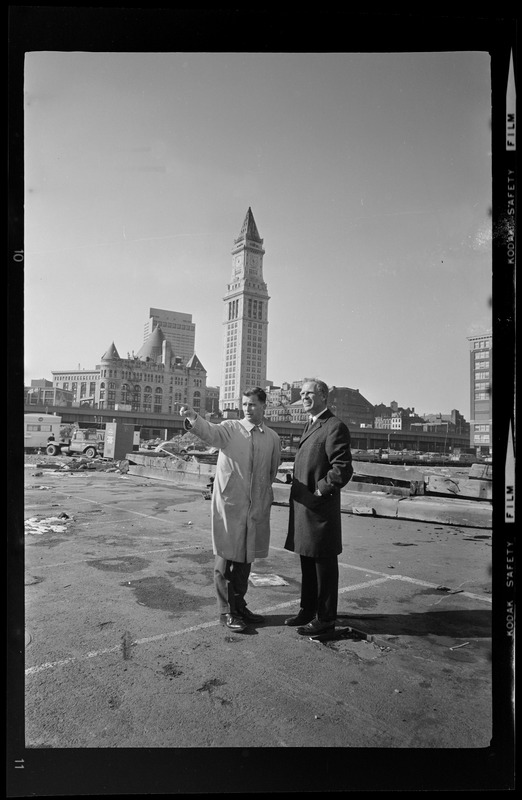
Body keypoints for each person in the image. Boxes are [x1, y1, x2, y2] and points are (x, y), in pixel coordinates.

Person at [180, 388, 280, 632]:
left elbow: (272, 471)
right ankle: (226, 612)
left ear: (264, 406)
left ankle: (240, 605)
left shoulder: (272, 438)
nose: (247, 408)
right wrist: (194, 417)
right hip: (230, 503)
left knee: (245, 558)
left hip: (254, 505)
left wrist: (262, 495)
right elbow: (210, 433)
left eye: (253, 404)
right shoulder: (231, 429)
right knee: (225, 558)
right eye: (245, 404)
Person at [284, 379, 353, 636]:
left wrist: (319, 488)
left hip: (320, 509)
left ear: (324, 396)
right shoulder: (310, 424)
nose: (304, 397)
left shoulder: (334, 426)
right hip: (305, 508)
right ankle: (307, 610)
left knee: (323, 566)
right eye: (302, 393)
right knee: (307, 561)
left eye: (309, 393)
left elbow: (342, 469)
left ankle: (325, 618)